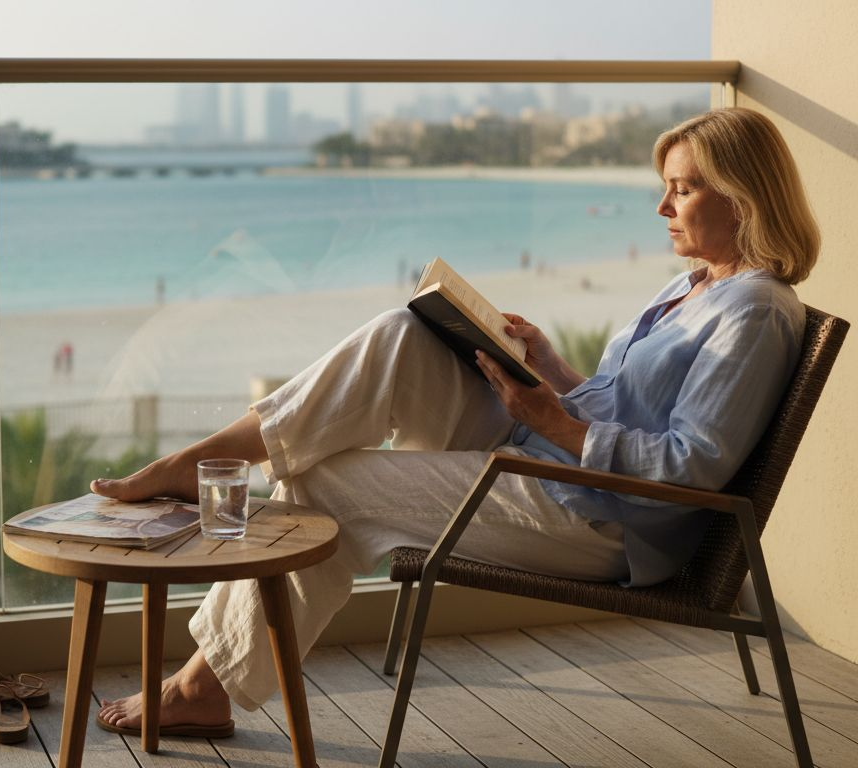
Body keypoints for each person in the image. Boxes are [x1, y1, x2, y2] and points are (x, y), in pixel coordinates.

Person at [90, 108, 820, 737]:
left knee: (330, 484)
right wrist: (552, 371)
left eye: (683, 189)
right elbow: (624, 400)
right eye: (665, 187)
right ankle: (210, 458)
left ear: (744, 198)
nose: (663, 208)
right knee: (401, 336)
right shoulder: (692, 286)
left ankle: (199, 692)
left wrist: (556, 424)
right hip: (557, 458)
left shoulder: (755, 312)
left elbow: (692, 466)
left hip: (598, 516)